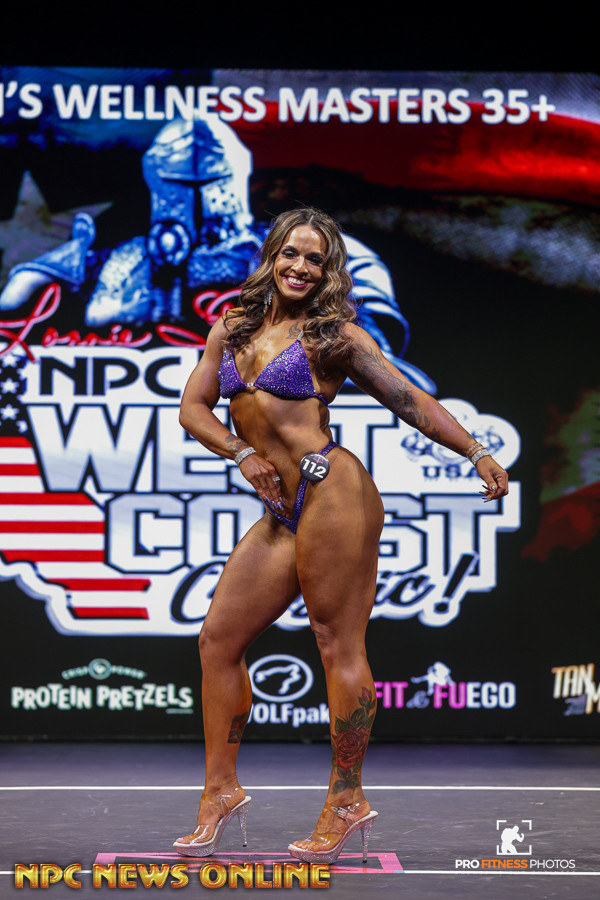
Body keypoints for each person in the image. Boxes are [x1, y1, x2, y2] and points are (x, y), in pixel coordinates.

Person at [174, 207, 509, 863]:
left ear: (329, 271)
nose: (300, 267)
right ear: (272, 256)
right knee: (217, 640)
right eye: (290, 254)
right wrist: (241, 453)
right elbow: (193, 408)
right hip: (281, 509)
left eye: (315, 259)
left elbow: (410, 401)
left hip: (335, 492)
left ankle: (347, 798)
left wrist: (476, 452)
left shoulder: (335, 336)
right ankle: (220, 792)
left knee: (337, 644)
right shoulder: (233, 327)